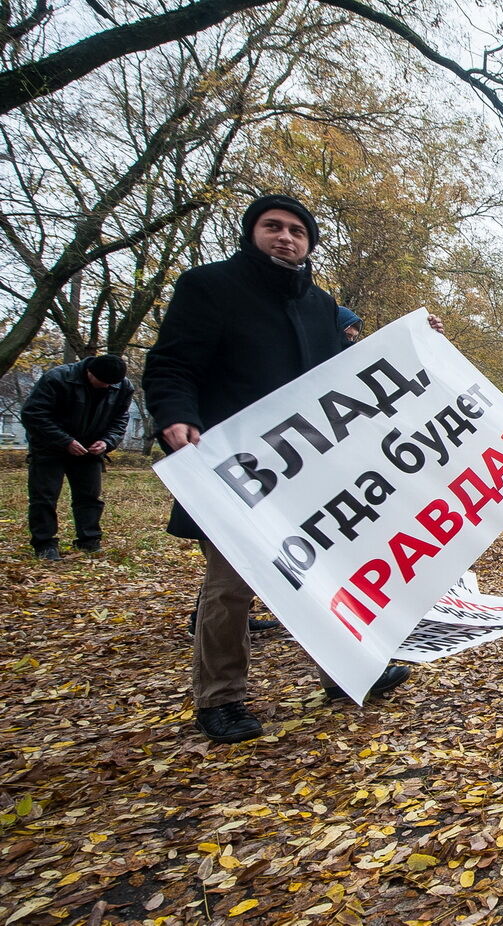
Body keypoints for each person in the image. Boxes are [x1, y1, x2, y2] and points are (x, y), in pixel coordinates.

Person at [143, 194, 413, 744]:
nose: (285, 237)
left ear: (309, 242)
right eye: (273, 227)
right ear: (252, 233)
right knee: (231, 587)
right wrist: (176, 417)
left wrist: (414, 341)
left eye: (296, 230)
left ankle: (344, 671)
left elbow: (348, 380)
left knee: (326, 577)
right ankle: (220, 700)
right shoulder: (209, 288)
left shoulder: (321, 306)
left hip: (313, 475)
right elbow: (171, 365)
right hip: (236, 473)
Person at [20, 354, 133, 559]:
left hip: (90, 449)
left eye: (112, 384)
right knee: (44, 497)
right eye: (104, 382)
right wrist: (65, 441)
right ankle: (44, 544)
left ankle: (89, 540)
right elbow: (33, 414)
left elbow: (120, 419)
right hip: (48, 448)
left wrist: (107, 442)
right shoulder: (57, 378)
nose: (108, 387)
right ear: (90, 372)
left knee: (90, 497)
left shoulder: (123, 386)